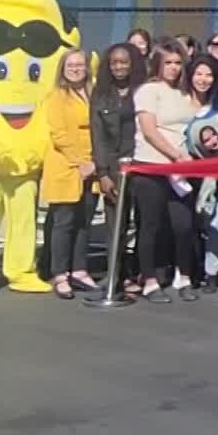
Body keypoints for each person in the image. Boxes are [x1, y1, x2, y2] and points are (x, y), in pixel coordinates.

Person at [130, 41, 199, 304]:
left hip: (180, 171)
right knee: (151, 225)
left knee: (183, 225)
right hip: (151, 167)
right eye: (168, 62)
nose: (173, 68)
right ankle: (149, 280)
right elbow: (149, 130)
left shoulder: (184, 94)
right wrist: (175, 155)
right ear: (158, 64)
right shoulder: (149, 90)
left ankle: (184, 276)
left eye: (178, 63)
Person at [42, 48, 100, 299]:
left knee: (84, 221)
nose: (76, 69)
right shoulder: (56, 97)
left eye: (80, 64)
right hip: (67, 166)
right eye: (70, 65)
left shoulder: (93, 93)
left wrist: (96, 163)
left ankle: (79, 269)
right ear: (63, 69)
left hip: (93, 167)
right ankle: (60, 273)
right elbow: (59, 135)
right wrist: (81, 162)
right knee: (63, 223)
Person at [89, 43, 143, 290]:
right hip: (113, 169)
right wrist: (102, 173)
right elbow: (98, 137)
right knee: (115, 225)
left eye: (124, 62)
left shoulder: (143, 91)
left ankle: (140, 274)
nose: (119, 67)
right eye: (114, 63)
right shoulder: (100, 95)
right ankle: (114, 275)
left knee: (145, 223)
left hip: (142, 165)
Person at [181, 56, 218, 288]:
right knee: (187, 224)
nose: (203, 79)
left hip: (216, 175)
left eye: (208, 74)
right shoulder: (179, 104)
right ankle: (187, 269)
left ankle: (211, 272)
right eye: (199, 73)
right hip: (183, 174)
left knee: (216, 221)